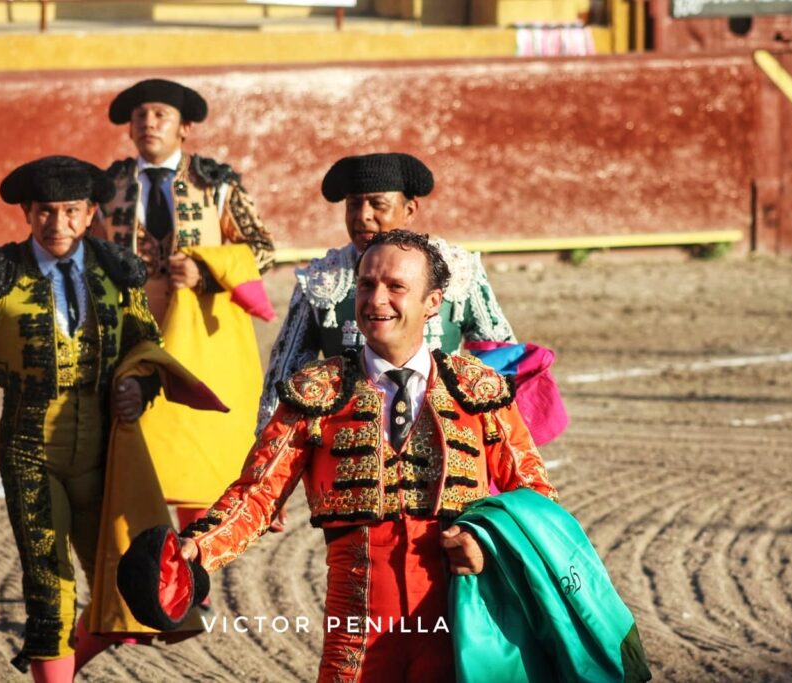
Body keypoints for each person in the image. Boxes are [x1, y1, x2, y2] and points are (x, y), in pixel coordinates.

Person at [178, 230, 557, 682]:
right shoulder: (315, 393)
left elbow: (536, 498)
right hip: (355, 635)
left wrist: (489, 545)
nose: (376, 299)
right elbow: (257, 495)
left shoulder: (477, 391)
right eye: (366, 284)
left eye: (396, 287)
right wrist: (195, 550)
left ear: (432, 302)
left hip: (463, 630)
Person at [0, 156, 163, 681]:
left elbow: (149, 345)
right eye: (45, 212)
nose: (57, 224)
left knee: (128, 590)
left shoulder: (115, 271)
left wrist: (141, 385)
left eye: (70, 211)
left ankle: (58, 667)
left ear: (89, 214)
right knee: (50, 591)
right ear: (28, 214)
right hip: (30, 453)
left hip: (105, 454)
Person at [94, 78, 277, 532]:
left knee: (197, 461)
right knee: (132, 464)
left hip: (197, 342)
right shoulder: (108, 187)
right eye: (140, 116)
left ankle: (196, 586)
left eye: (160, 115)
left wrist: (208, 271)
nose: (148, 123)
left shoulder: (216, 183)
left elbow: (263, 249)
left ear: (184, 128)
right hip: (128, 338)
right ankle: (142, 585)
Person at [257, 152, 516, 436]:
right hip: (350, 442)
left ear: (410, 210)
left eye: (378, 204)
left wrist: (500, 441)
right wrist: (271, 446)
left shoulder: (458, 270)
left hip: (448, 434)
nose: (363, 216)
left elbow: (504, 362)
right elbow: (283, 380)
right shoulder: (322, 279)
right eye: (353, 205)